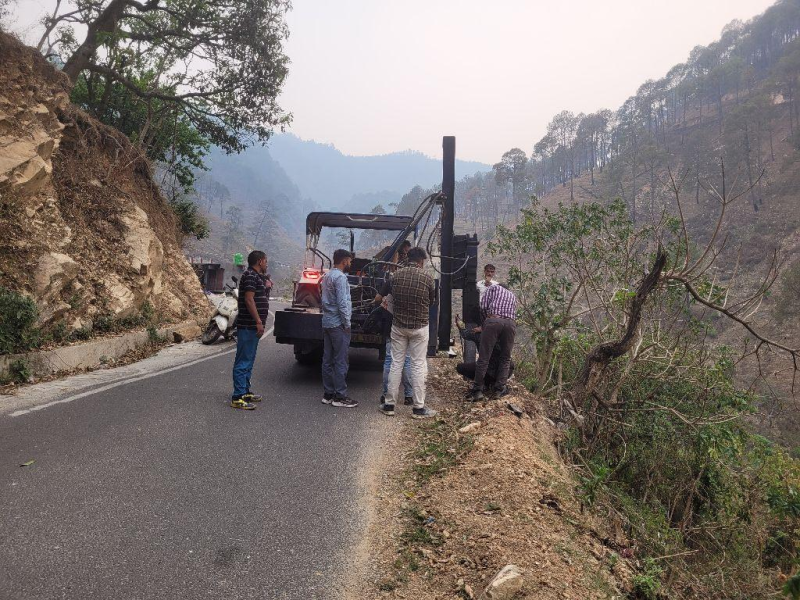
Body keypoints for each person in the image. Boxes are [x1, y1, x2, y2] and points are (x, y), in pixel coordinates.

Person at [381, 247, 437, 418]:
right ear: (421, 261)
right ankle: (418, 408)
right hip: (419, 327)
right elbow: (431, 301)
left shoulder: (395, 276)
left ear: (408, 258)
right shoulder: (428, 278)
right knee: (418, 365)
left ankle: (389, 405)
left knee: (396, 364)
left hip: (398, 326)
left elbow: (386, 296)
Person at [231, 250, 272, 410]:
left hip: (252, 326)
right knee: (243, 361)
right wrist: (258, 321)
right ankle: (237, 397)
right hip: (248, 325)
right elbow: (249, 300)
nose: (266, 264)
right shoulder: (249, 275)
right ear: (260, 261)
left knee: (249, 359)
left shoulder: (256, 276)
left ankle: (245, 391)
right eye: (265, 261)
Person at [321, 249, 358, 408]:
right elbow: (342, 303)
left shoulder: (327, 275)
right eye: (349, 261)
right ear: (344, 261)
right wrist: (347, 323)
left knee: (327, 360)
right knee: (341, 360)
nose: (350, 263)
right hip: (338, 324)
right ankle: (340, 397)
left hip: (327, 322)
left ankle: (328, 394)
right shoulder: (341, 278)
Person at [468, 283, 517, 401]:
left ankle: (477, 390)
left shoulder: (493, 288)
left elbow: (483, 307)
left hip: (494, 321)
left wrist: (485, 323)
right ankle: (499, 389)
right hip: (510, 324)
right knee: (506, 358)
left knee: (484, 357)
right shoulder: (513, 295)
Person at [373, 278, 413, 407]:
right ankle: (409, 395)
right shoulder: (414, 281)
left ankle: (386, 395)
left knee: (389, 361)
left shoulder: (392, 280)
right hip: (408, 326)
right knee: (406, 361)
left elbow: (378, 298)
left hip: (391, 327)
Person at [455, 320, 515, 392]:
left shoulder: (479, 335)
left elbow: (465, 334)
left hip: (489, 372)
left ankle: (484, 384)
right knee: (502, 361)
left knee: (461, 367)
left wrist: (460, 326)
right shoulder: (504, 332)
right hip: (507, 371)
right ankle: (499, 385)